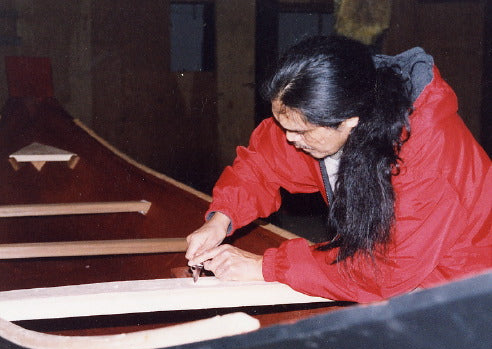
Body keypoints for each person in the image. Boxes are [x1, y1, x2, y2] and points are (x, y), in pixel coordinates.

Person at [185, 35, 491, 303]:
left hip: (468, 284)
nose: (290, 138)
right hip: (408, 270)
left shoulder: (426, 157)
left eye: (301, 132)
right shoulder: (333, 112)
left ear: (350, 122)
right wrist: (221, 218)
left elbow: (385, 270)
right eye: (283, 125)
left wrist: (265, 267)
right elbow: (263, 162)